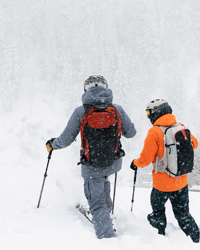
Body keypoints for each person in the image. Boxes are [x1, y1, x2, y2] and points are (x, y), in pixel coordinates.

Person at [47, 75, 136, 239]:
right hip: (113, 161)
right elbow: (131, 133)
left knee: (96, 201)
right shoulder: (117, 109)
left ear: (85, 90)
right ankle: (106, 214)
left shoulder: (81, 111)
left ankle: (106, 235)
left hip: (91, 164)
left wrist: (53, 144)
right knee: (103, 182)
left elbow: (66, 139)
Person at [131, 98, 200, 242]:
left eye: (148, 113)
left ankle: (160, 239)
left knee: (157, 213)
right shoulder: (180, 126)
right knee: (183, 214)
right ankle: (196, 239)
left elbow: (145, 160)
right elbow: (195, 144)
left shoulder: (155, 132)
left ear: (155, 112)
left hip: (161, 185)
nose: (148, 116)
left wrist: (135, 163)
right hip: (181, 182)